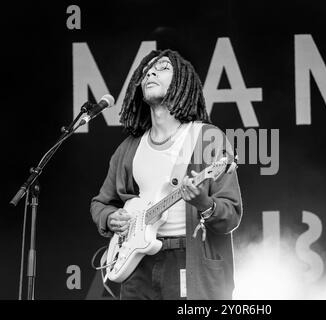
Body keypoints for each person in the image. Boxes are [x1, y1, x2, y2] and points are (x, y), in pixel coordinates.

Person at [90, 49, 243, 300]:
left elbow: (231, 216)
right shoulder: (130, 148)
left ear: (183, 83)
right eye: (146, 70)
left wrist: (202, 203)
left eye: (162, 67)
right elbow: (100, 203)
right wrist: (109, 218)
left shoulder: (207, 138)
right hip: (137, 265)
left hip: (187, 261)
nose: (150, 72)